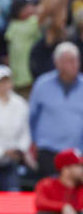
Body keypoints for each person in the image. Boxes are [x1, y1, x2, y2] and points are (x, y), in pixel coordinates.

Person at [29, 42, 83, 176]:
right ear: (58, 63)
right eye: (69, 61)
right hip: (48, 150)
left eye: (76, 60)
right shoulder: (42, 84)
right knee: (50, 191)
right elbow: (32, 117)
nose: (74, 64)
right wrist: (34, 142)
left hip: (76, 153)